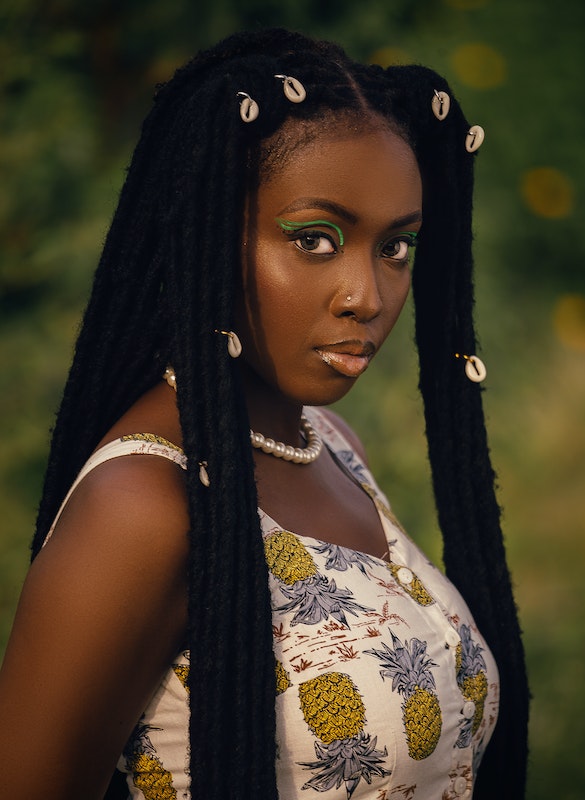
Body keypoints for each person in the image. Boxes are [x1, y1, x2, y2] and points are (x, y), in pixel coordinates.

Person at [0, 28, 529, 800]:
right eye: (315, 239)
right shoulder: (145, 503)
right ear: (210, 238)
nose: (368, 296)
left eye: (396, 247)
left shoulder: (327, 444)